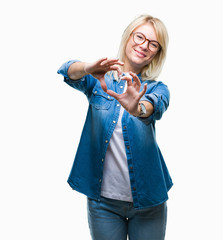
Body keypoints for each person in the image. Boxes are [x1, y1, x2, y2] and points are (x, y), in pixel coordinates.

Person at [57, 15, 173, 240]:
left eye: (153, 44)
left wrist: (138, 107)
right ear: (128, 37)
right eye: (139, 36)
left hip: (148, 202)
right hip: (103, 204)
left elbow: (154, 105)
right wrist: (88, 67)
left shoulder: (157, 88)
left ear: (156, 53)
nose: (143, 45)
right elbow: (66, 71)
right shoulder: (100, 80)